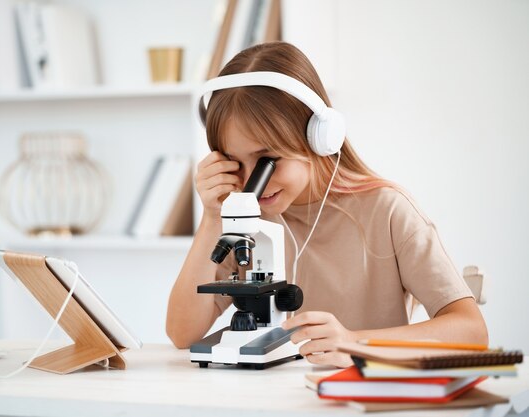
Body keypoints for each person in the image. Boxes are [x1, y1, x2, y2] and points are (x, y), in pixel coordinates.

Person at [166, 41, 488, 368]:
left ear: (319, 136)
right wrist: (211, 217)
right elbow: (182, 333)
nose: (251, 184)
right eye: (234, 162)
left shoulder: (386, 211)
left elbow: (471, 330)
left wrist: (353, 342)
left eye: (266, 160)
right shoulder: (247, 218)